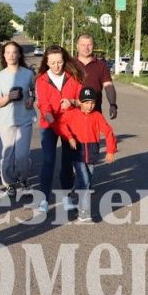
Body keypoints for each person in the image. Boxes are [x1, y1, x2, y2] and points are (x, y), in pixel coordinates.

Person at [35, 44, 84, 214]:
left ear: (64, 61)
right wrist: (54, 123)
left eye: (60, 62)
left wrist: (72, 102)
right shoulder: (41, 80)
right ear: (46, 62)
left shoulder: (73, 77)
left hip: (70, 124)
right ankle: (44, 199)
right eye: (53, 63)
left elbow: (83, 102)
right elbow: (44, 106)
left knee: (67, 161)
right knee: (49, 160)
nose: (57, 66)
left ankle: (66, 196)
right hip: (49, 125)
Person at [57, 86, 117, 222]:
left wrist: (110, 151)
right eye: (86, 102)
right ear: (80, 102)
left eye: (92, 103)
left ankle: (73, 196)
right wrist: (70, 137)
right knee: (84, 181)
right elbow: (61, 124)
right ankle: (84, 212)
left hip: (92, 154)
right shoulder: (72, 114)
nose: (90, 106)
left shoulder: (97, 116)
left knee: (87, 182)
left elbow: (108, 132)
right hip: (77, 154)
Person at [0, 41, 36, 198]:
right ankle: (9, 184)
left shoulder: (28, 74)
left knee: (22, 156)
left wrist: (32, 98)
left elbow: (34, 90)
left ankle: (23, 180)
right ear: (4, 55)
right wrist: (8, 97)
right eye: (7, 52)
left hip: (25, 119)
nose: (10, 55)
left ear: (19, 54)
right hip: (6, 122)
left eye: (14, 52)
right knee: (6, 158)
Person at [75, 34, 118, 119]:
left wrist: (113, 105)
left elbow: (108, 86)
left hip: (94, 113)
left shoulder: (101, 65)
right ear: (77, 46)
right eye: (83, 45)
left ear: (93, 46)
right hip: (73, 113)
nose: (86, 48)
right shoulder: (69, 64)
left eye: (89, 45)